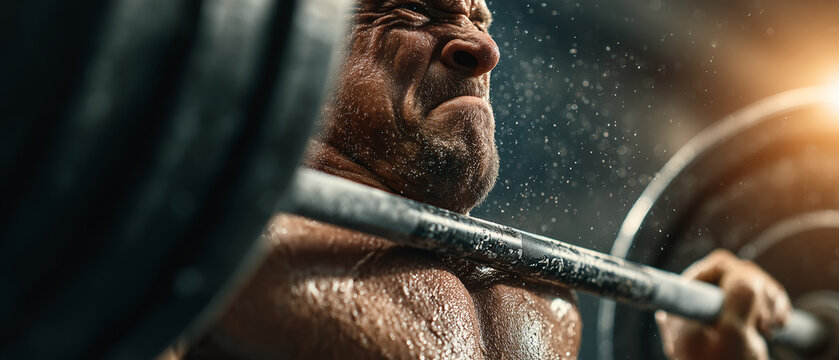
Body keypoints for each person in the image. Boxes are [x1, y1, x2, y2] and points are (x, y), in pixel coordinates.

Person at [169, 0, 792, 358]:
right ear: (300, 46)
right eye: (417, 9)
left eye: (480, 18)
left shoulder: (545, 301)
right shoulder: (198, 254)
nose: (483, 50)